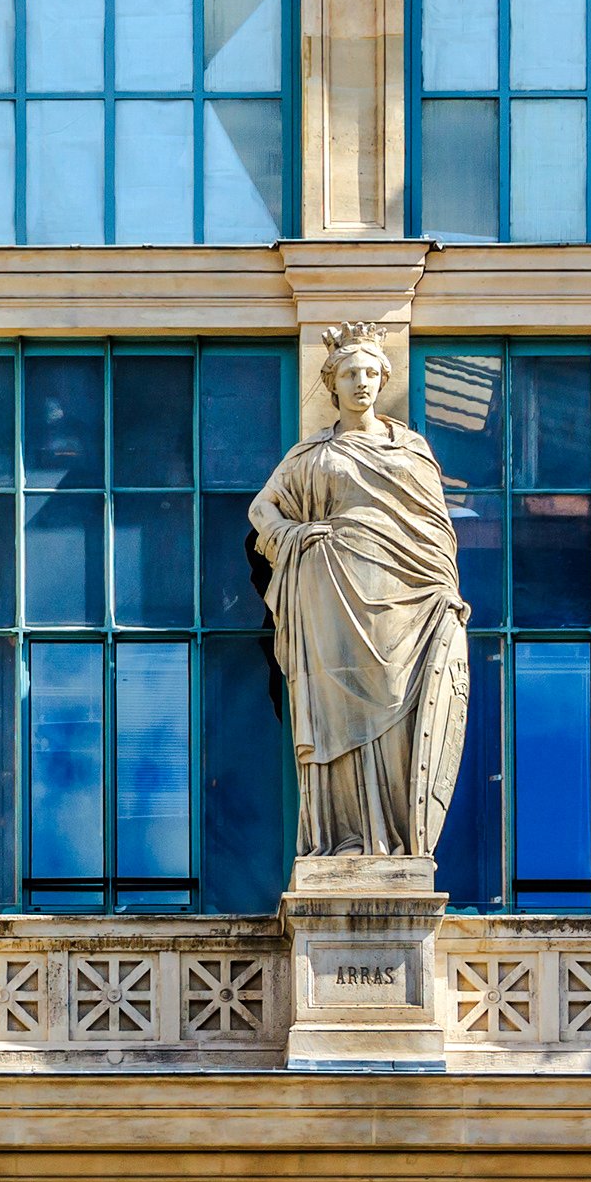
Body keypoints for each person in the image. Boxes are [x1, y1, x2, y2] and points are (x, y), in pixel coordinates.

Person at [248, 323, 470, 861]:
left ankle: (391, 840)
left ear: (382, 378)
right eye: (350, 373)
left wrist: (444, 591)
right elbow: (261, 510)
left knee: (397, 714)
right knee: (339, 721)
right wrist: (293, 535)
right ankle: (347, 837)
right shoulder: (311, 455)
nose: (362, 382)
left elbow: (436, 530)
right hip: (331, 597)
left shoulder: (412, 450)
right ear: (333, 384)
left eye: (371, 372)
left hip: (405, 600)